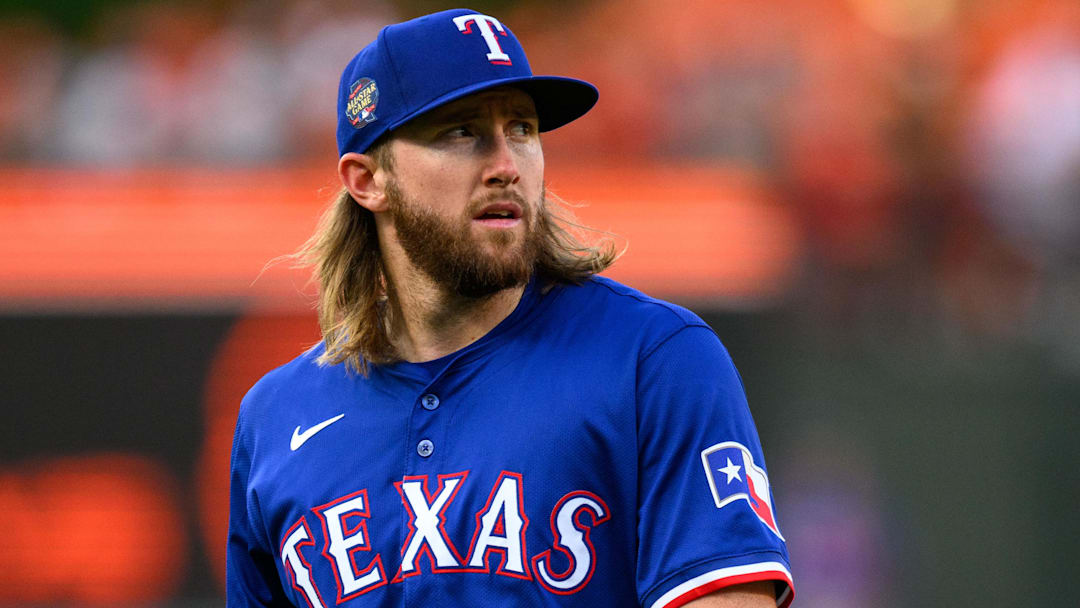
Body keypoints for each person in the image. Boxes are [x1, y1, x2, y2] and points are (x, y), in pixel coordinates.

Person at [227, 8, 794, 608]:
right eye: (461, 132)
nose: (505, 166)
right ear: (368, 180)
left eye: (522, 129)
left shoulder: (651, 359)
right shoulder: (275, 417)